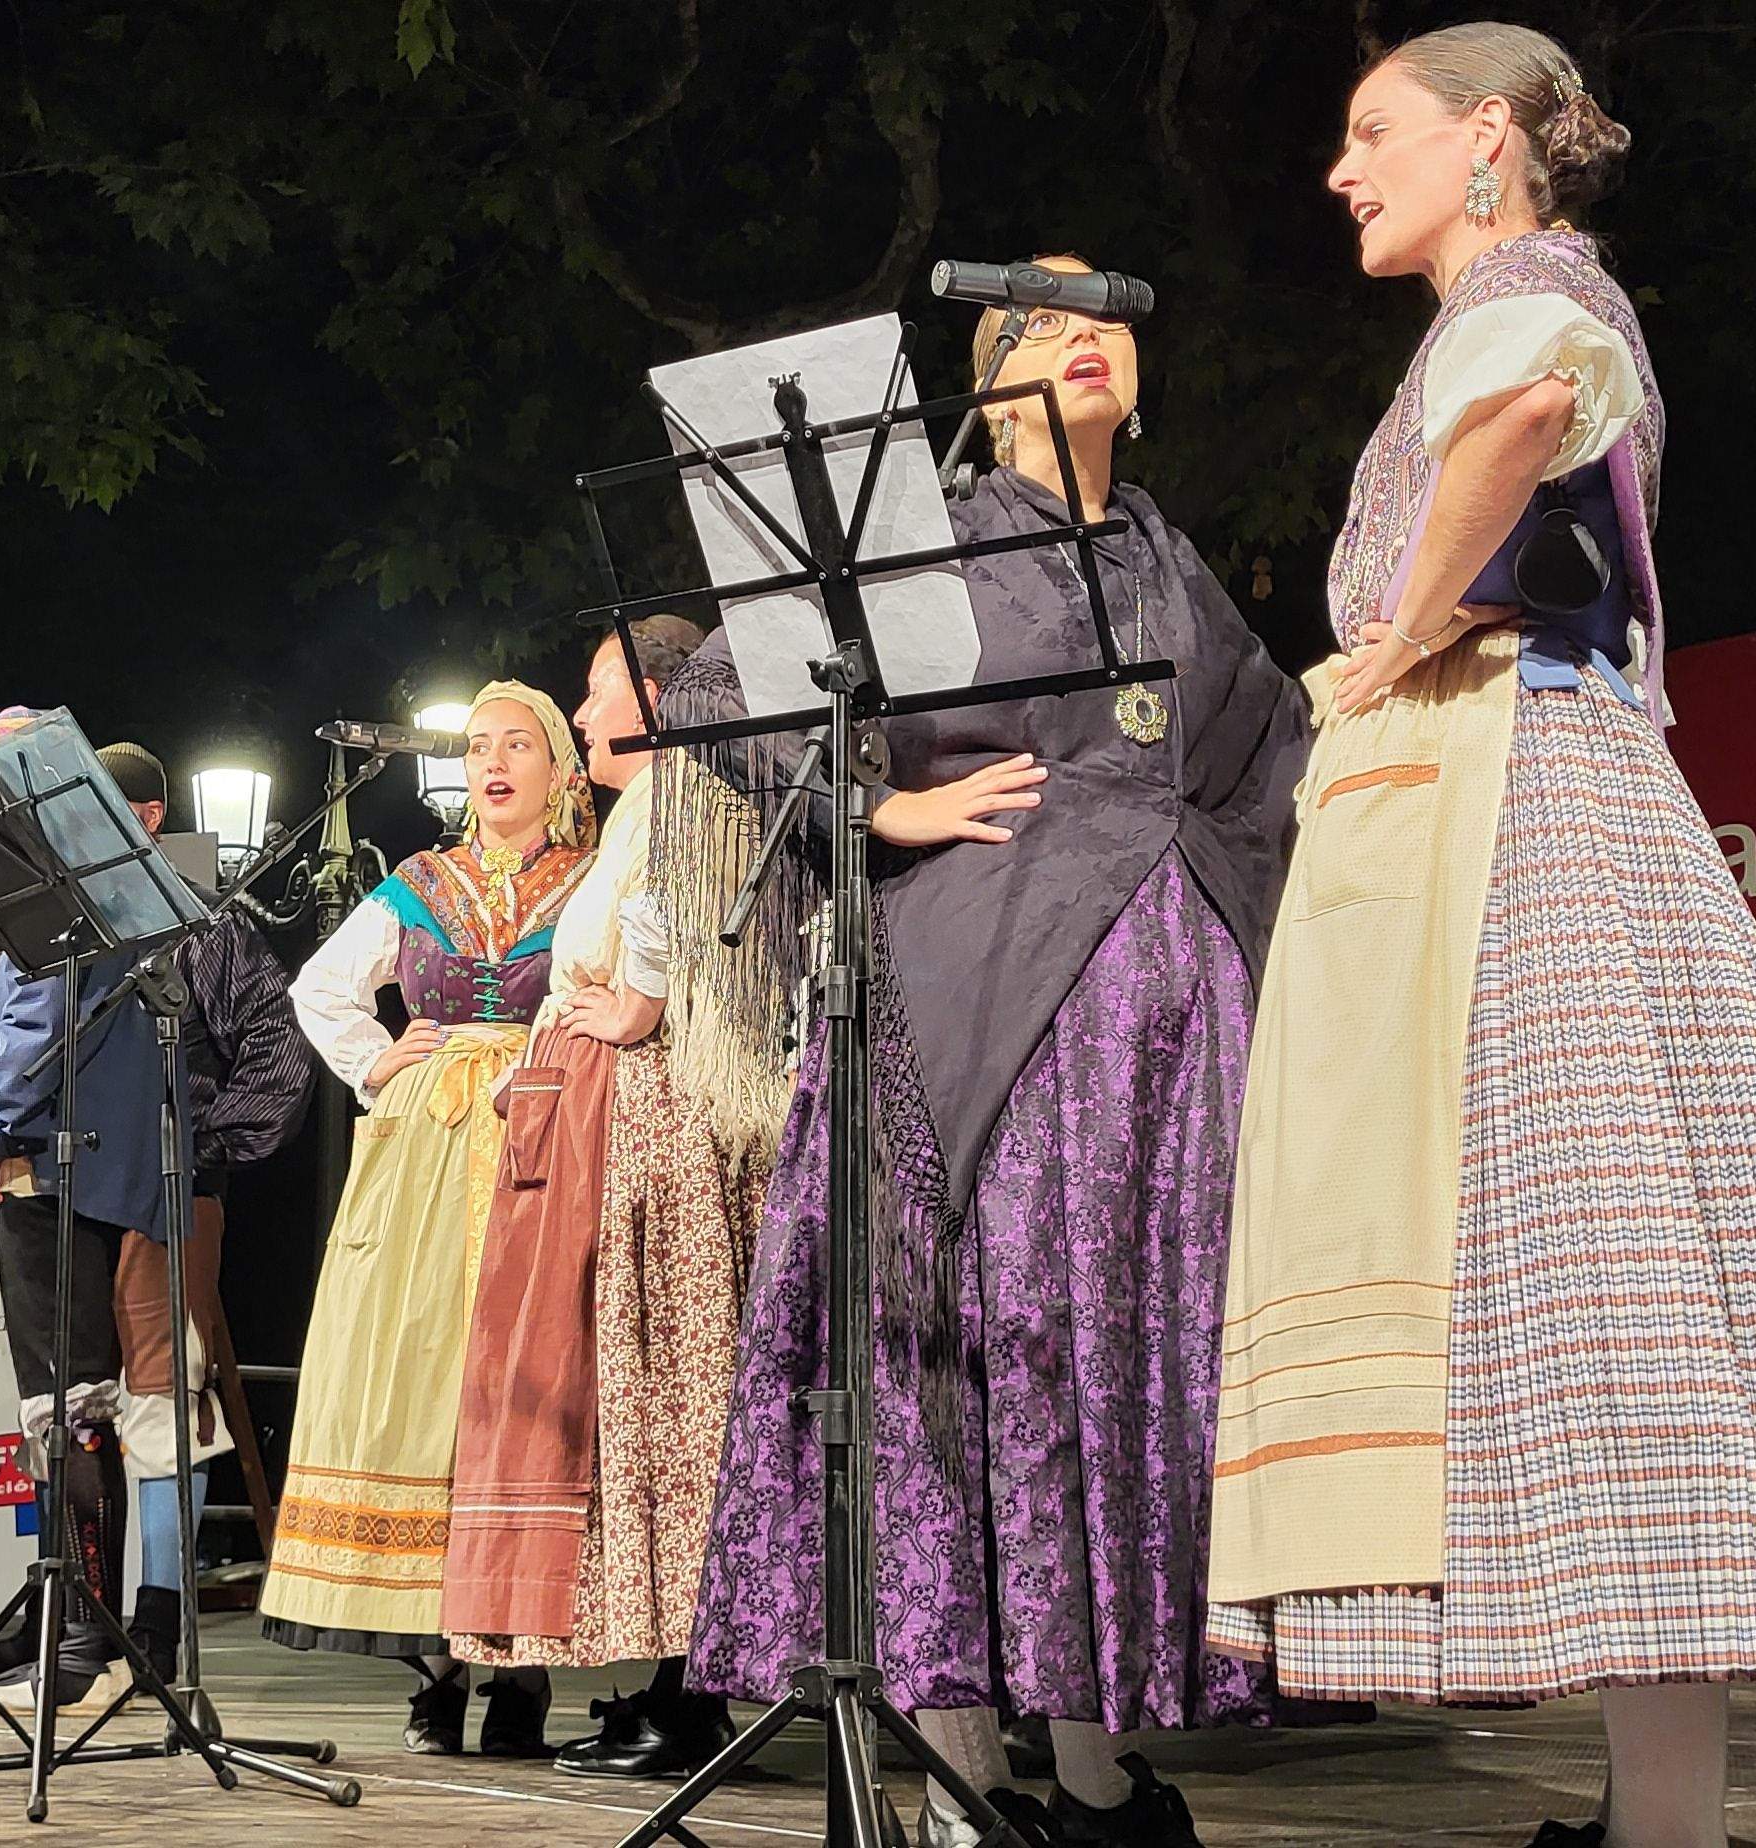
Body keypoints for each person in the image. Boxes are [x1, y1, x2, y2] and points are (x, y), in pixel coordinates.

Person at [1200, 25, 1756, 1847]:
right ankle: (1661, 1816)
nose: (1342, 170)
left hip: (1515, 803)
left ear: (1486, 138)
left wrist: (1398, 638)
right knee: (1608, 1291)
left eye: (1371, 133)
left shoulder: (1533, 294)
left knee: (1599, 1263)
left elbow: (1510, 422)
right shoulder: (1517, 300)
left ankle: (1665, 1822)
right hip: (1529, 788)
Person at [684, 247, 1315, 1842]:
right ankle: (966, 1778)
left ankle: (1101, 1774)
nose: (1086, 338)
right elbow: (726, 684)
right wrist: (874, 803)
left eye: (1107, 317)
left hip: (1170, 1034)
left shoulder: (1177, 563)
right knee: (982, 1359)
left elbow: (1271, 757)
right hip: (977, 1004)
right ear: (988, 375)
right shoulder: (935, 541)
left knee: (1118, 1373)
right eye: (1041, 320)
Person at [444, 619, 768, 1783]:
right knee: (635, 1408)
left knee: (662, 1398)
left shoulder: (690, 784)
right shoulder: (652, 800)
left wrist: (632, 1000)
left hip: (652, 1130)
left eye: (595, 697)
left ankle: (685, 1699)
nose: (582, 724)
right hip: (613, 1124)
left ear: (659, 697)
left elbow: (684, 911)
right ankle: (663, 1687)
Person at [263, 685, 595, 1756]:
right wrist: (378, 1062)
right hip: (425, 1151)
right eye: (478, 746)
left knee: (524, 1385)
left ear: (559, 768)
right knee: (423, 1378)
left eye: (517, 744)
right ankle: (435, 1663)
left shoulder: (588, 881)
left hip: (542, 1136)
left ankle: (524, 1669)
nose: (494, 761)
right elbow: (320, 991)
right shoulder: (419, 884)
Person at [0, 714, 175, 1719]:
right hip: (78, 1155)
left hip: (45, 1157)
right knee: (66, 1399)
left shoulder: (59, 867)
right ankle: (71, 1624)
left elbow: (42, 1014)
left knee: (68, 1400)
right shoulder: (99, 863)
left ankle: (84, 1636)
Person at [116, 741, 313, 1679]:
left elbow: (279, 1046)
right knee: (70, 1403)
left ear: (146, 817)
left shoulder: (205, 925)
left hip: (167, 1190)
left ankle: (158, 1626)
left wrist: (204, 1140)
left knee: (168, 1395)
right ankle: (80, 1623)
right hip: (58, 1186)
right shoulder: (44, 922)